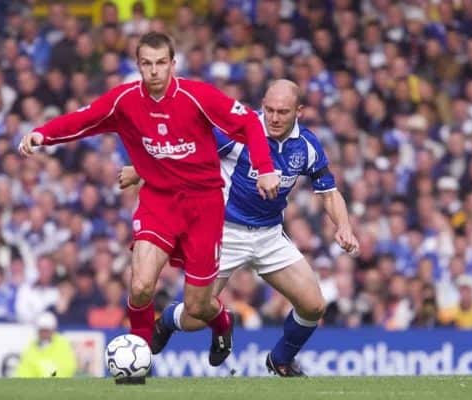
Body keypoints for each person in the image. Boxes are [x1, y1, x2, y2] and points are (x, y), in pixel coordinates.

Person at [19, 32, 279, 382]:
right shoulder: (125, 101)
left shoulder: (196, 95)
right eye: (147, 64)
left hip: (204, 205)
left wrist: (265, 169)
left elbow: (249, 121)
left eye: (161, 63)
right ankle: (139, 364)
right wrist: (43, 134)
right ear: (138, 65)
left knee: (198, 305)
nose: (154, 71)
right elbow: (84, 118)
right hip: (158, 201)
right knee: (140, 285)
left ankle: (222, 321)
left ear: (173, 64)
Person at [119, 79, 360, 376]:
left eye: (282, 112)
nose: (273, 118)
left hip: (269, 236)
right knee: (195, 313)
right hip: (225, 233)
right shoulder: (237, 132)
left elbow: (329, 192)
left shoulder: (307, 145)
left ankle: (281, 359)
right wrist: (138, 169)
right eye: (269, 109)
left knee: (314, 306)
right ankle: (168, 320)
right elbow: (183, 150)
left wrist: (344, 226)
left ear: (299, 111)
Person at [14, 311, 77, 378]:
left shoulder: (63, 345)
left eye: (47, 331)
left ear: (53, 330)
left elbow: (68, 368)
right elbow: (24, 371)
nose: (44, 334)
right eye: (41, 330)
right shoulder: (30, 349)